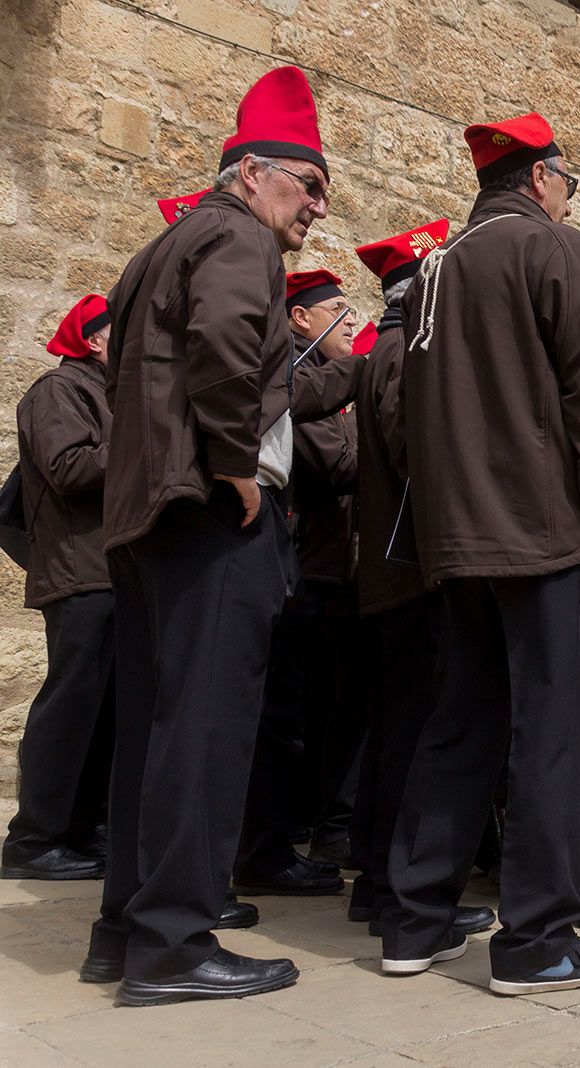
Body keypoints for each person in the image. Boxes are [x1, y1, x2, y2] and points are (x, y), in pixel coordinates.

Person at [385, 109, 580, 995]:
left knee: (459, 726)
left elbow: (405, 415)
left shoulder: (433, 270)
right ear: (541, 178)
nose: (570, 197)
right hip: (541, 535)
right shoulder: (553, 250)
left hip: (459, 540)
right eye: (570, 181)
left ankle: (412, 920)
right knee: (554, 735)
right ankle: (537, 941)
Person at [86, 66, 328, 1004]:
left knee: (156, 728)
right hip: (211, 512)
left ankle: (126, 929)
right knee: (206, 730)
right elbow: (227, 345)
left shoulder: (172, 239)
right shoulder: (236, 236)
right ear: (252, 172)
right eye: (307, 184)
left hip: (156, 516)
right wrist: (234, 462)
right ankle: (177, 942)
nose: (317, 205)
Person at [344, 218, 496, 939]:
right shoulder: (404, 353)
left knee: (397, 735)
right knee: (412, 738)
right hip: (411, 578)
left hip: (394, 578)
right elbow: (414, 450)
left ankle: (379, 886)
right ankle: (393, 887)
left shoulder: (389, 348)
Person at [232, 268, 363, 897]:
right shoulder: (296, 376)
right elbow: (337, 463)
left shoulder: (318, 381)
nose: (351, 319)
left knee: (319, 713)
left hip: (327, 573)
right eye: (337, 309)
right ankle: (266, 847)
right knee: (280, 717)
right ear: (300, 318)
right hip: (299, 570)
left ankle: (285, 837)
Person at [2, 295, 116, 881]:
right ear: (95, 340)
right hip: (80, 573)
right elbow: (70, 467)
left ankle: (85, 829)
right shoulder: (57, 390)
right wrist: (149, 443)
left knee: (106, 713)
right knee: (71, 707)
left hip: (111, 573)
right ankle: (33, 840)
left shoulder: (108, 393)